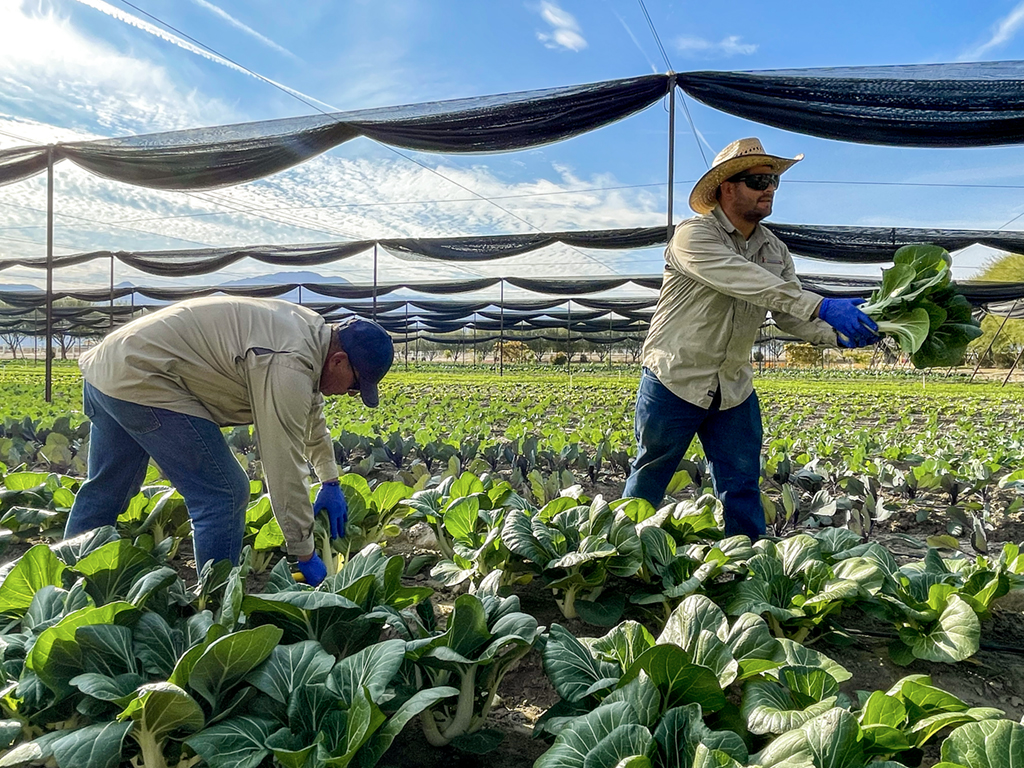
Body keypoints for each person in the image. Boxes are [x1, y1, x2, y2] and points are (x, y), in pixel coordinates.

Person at [622, 137, 879, 541]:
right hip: (675, 377)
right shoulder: (694, 237)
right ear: (728, 187)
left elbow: (789, 317)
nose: (770, 190)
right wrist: (823, 305)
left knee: (742, 483)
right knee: (651, 472)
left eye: (774, 181)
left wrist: (836, 335)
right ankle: (617, 551)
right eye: (759, 181)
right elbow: (749, 283)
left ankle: (749, 563)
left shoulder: (774, 249)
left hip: (734, 386)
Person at [63, 296, 394, 586]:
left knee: (107, 488)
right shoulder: (288, 362)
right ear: (338, 361)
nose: (350, 394)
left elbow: (311, 415)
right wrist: (303, 552)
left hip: (108, 368)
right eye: (355, 385)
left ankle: (66, 581)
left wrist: (330, 479)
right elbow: (283, 461)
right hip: (147, 378)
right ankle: (216, 601)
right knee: (224, 492)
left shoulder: (308, 334)